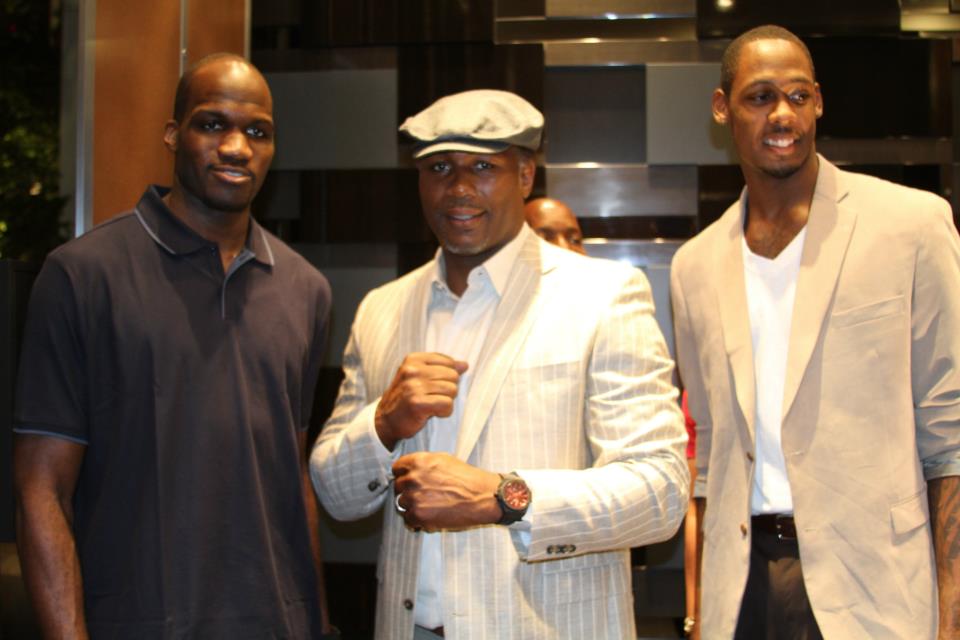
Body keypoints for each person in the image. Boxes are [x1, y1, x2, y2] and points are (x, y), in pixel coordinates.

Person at [310, 89, 688, 640]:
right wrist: (383, 423)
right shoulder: (381, 310)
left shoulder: (602, 295)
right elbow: (335, 495)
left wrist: (500, 498)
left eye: (484, 167)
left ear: (526, 175)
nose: (459, 187)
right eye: (440, 167)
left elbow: (660, 492)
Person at [13, 53, 336, 638]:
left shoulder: (305, 290)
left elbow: (291, 476)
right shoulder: (82, 276)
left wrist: (318, 624)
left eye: (257, 132)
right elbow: (43, 490)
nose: (236, 147)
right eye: (212, 124)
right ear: (172, 134)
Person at [670, 25, 960, 639]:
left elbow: (950, 433)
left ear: (819, 102)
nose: (783, 114)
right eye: (760, 97)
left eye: (799, 96)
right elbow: (709, 455)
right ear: (722, 108)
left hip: (875, 590)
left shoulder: (911, 226)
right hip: (741, 591)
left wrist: (952, 614)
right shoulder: (693, 266)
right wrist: (700, 611)